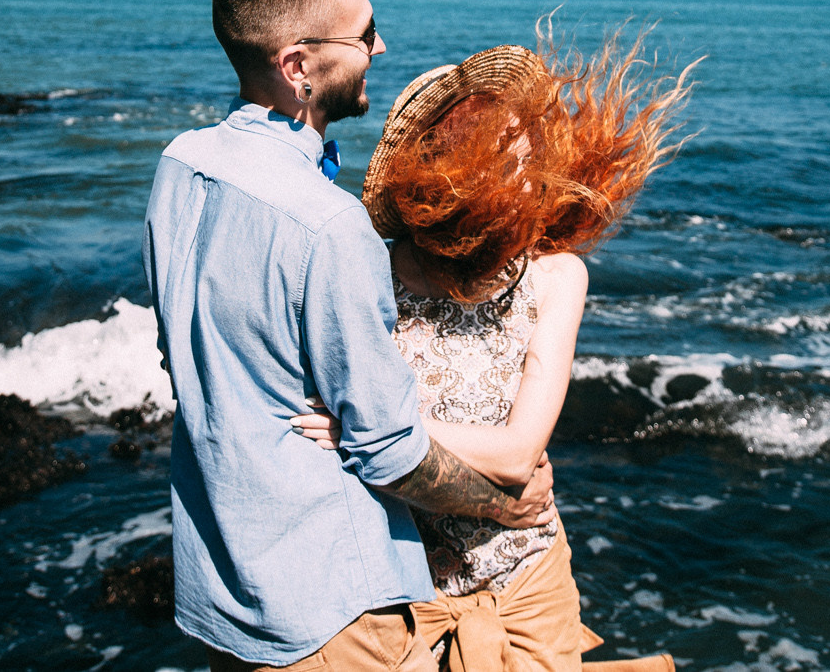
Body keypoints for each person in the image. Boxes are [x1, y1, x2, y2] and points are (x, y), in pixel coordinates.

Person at [145, 0, 557, 672]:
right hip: (331, 612)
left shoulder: (179, 165)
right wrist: (505, 505)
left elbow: (186, 351)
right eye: (364, 33)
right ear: (298, 67)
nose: (381, 43)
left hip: (221, 591)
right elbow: (390, 450)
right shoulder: (331, 226)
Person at [293, 37, 693, 672]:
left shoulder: (557, 275)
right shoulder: (369, 271)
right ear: (441, 169)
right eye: (495, 148)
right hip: (401, 604)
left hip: (531, 588)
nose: (520, 163)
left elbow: (517, 454)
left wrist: (360, 430)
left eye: (524, 145)